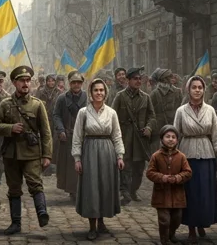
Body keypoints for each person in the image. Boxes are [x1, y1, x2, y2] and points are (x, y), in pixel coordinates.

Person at [0, 65, 53, 235]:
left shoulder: (37, 105)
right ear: (14, 83)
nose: (25, 84)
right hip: (11, 154)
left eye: (28, 80)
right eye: (22, 81)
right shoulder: (6, 104)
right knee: (14, 188)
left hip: (31, 153)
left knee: (35, 184)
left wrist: (47, 154)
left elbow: (46, 132)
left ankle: (42, 213)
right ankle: (15, 223)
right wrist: (10, 128)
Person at [173, 75, 217, 244]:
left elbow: (216, 134)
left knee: (205, 193)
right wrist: (171, 156)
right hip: (187, 155)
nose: (197, 90)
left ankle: (202, 222)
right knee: (190, 193)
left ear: (204, 90)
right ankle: (191, 228)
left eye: (200, 88)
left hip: (206, 154)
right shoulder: (181, 111)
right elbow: (174, 135)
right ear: (188, 90)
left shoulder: (210, 110)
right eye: (194, 87)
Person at [72, 78, 124, 241]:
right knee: (91, 187)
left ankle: (101, 222)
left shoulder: (111, 113)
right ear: (91, 93)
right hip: (90, 152)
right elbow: (77, 136)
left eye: (102, 90)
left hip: (107, 152)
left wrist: (120, 155)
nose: (99, 93)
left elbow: (116, 135)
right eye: (96, 90)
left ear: (105, 92)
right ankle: (92, 226)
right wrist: (77, 158)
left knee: (105, 186)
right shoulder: (83, 113)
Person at [111, 67, 155, 204]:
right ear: (128, 80)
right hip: (125, 137)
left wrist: (149, 127)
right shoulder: (120, 96)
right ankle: (124, 192)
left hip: (140, 139)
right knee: (125, 166)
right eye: (135, 79)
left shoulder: (145, 98)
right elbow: (112, 116)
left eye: (139, 79)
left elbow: (152, 116)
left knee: (139, 168)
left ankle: (133, 190)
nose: (138, 81)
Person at [147, 125, 192, 245]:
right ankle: (164, 240)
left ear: (177, 140)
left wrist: (178, 177)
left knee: (177, 219)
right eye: (167, 137)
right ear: (162, 139)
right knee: (164, 220)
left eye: (173, 137)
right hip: (161, 194)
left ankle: (171, 234)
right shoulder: (156, 156)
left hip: (177, 195)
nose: (170, 139)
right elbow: (150, 173)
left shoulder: (181, 157)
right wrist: (162, 177)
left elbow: (188, 172)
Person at [52, 71, 88, 202]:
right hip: (67, 136)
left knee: (83, 163)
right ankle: (73, 190)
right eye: (74, 82)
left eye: (79, 82)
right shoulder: (62, 98)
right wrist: (60, 130)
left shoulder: (87, 97)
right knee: (69, 165)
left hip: (84, 136)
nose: (76, 85)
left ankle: (82, 188)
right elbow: (56, 115)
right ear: (69, 83)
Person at [150, 68, 183, 154]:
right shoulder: (154, 94)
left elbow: (181, 109)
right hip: (159, 132)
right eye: (169, 77)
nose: (172, 79)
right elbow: (150, 113)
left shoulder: (177, 92)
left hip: (175, 128)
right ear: (163, 79)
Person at [34, 73, 61, 175]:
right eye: (49, 81)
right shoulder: (41, 92)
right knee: (43, 141)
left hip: (55, 120)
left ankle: (51, 164)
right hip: (44, 119)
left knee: (54, 142)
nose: (51, 82)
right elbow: (36, 104)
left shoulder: (59, 93)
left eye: (53, 81)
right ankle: (43, 166)